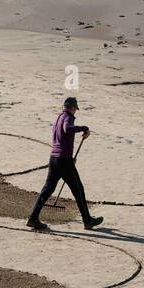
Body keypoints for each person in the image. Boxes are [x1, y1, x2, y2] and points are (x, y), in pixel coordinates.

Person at [27, 96, 104, 231]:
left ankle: (33, 218)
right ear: (73, 108)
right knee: (78, 189)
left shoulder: (58, 117)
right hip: (63, 161)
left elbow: (63, 136)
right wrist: (84, 128)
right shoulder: (67, 117)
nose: (75, 112)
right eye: (75, 109)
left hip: (55, 159)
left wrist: (69, 156)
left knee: (48, 189)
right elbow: (67, 128)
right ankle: (87, 220)